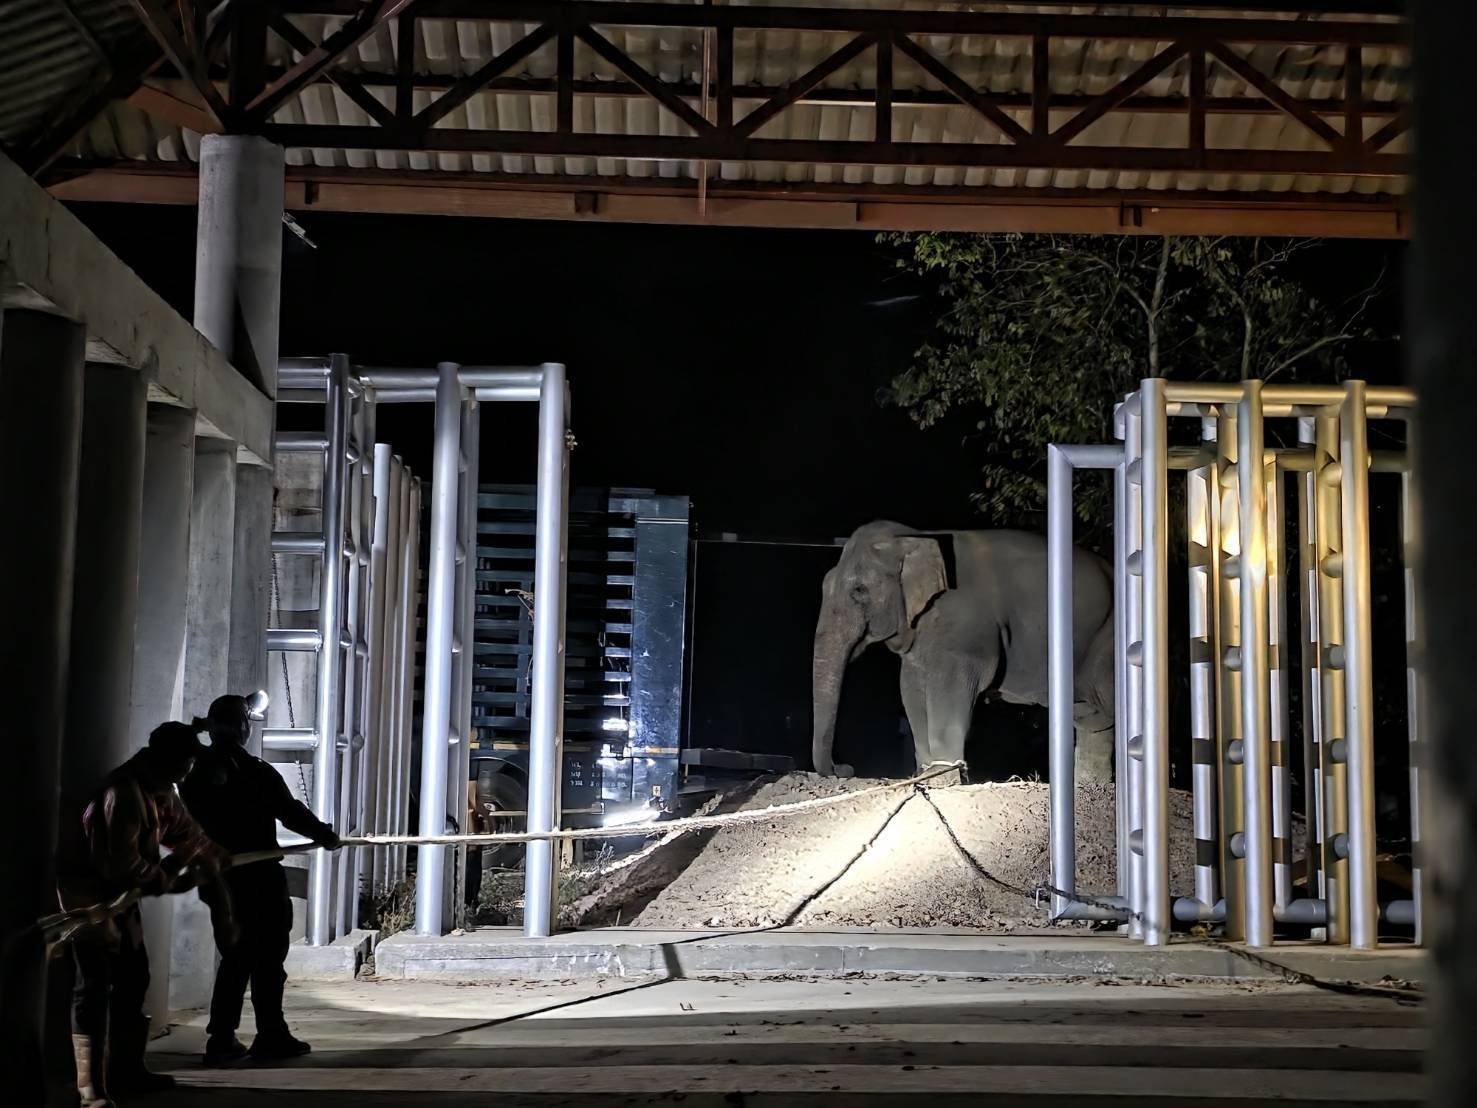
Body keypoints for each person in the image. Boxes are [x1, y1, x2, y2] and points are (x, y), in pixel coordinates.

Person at [55, 720, 228, 1107]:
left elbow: (187, 833)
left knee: (134, 980)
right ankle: (89, 1088)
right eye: (186, 761)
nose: (190, 769)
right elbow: (120, 866)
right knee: (92, 989)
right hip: (89, 904)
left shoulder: (162, 790)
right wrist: (170, 875)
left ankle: (127, 1071)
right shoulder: (123, 793)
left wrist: (213, 855)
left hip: (123, 902)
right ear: (166, 758)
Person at [182, 692, 341, 1066]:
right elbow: (290, 812)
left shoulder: (193, 775)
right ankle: (271, 1033)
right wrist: (325, 835)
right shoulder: (253, 772)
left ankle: (222, 1038)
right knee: (268, 958)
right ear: (242, 726)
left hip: (219, 881)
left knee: (234, 957)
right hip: (259, 878)